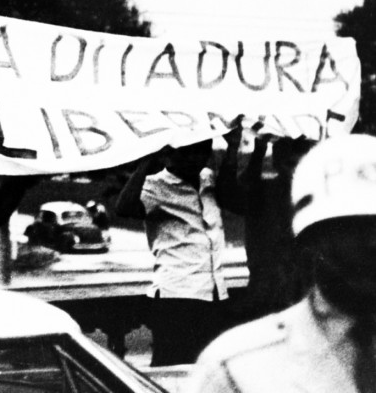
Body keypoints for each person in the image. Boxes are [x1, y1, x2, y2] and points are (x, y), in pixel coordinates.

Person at [186, 134, 376, 393]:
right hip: (268, 297)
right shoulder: (241, 366)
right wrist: (243, 150)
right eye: (353, 228)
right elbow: (231, 193)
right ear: (314, 239)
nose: (371, 244)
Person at [115, 131, 242, 366]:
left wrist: (233, 148)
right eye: (188, 152)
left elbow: (234, 197)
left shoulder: (208, 179)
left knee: (210, 369)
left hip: (214, 292)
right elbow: (124, 208)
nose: (196, 158)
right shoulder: (155, 186)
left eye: (202, 150)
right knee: (173, 367)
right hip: (177, 294)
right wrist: (146, 161)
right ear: (169, 155)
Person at [237, 136, 315, 320]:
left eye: (302, 164)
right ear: (277, 163)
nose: (296, 170)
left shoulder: (313, 195)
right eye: (290, 164)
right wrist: (259, 150)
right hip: (269, 289)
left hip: (301, 287)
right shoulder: (263, 191)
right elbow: (246, 185)